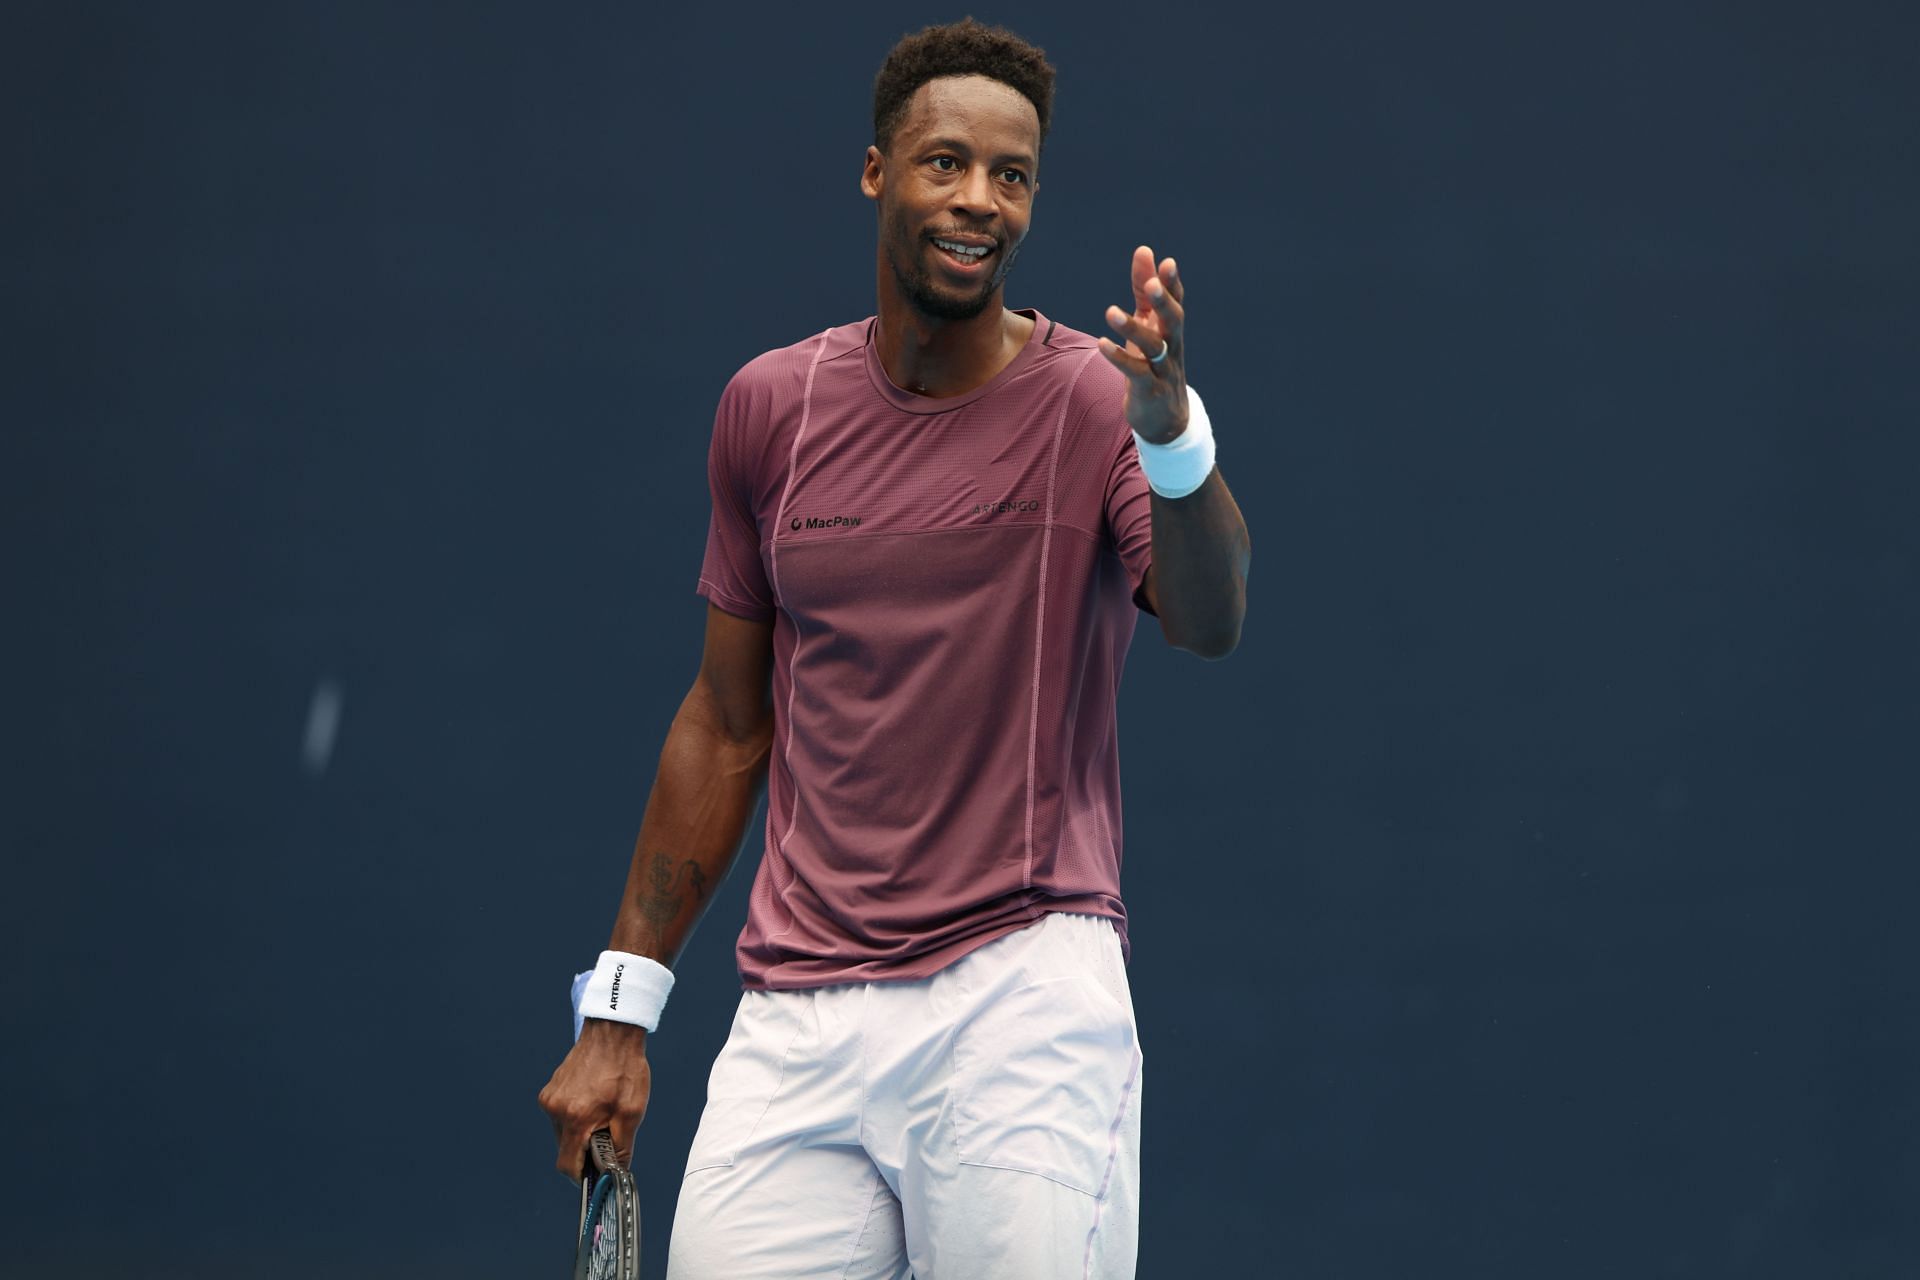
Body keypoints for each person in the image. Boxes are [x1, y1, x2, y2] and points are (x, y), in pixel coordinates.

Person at [538, 16, 1250, 1278]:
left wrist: (1171, 432)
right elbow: (725, 723)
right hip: (797, 1017)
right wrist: (621, 1006)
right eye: (946, 162)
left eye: (1012, 174)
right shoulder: (772, 408)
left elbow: (1209, 618)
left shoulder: (1097, 401)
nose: (980, 199)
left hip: (1021, 996)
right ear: (878, 172)